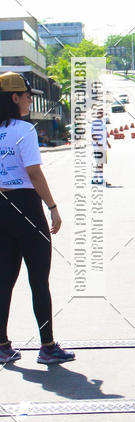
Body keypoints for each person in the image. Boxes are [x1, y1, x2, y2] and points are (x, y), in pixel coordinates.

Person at [0, 72, 75, 365]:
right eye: (27, 95)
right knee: (39, 280)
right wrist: (53, 206)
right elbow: (34, 172)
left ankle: (3, 344)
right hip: (27, 207)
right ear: (14, 97)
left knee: (4, 280)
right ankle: (47, 346)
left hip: (2, 206)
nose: (30, 99)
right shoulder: (24, 130)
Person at [91, 107, 111, 186]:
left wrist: (107, 143)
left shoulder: (102, 122)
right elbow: (93, 135)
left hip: (103, 146)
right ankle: (101, 180)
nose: (101, 114)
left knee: (100, 163)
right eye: (99, 112)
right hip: (98, 146)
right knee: (100, 163)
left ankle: (95, 179)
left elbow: (104, 135)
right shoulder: (95, 122)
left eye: (102, 112)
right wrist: (98, 144)